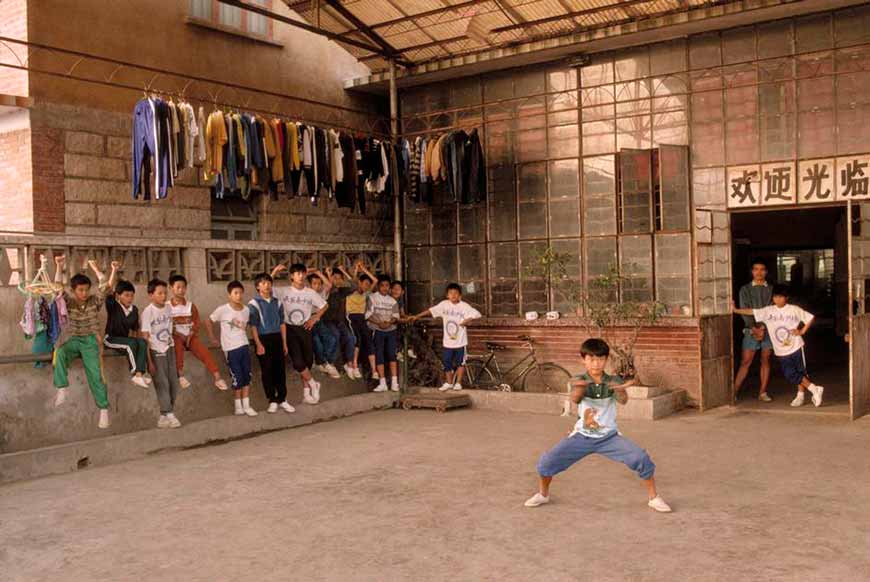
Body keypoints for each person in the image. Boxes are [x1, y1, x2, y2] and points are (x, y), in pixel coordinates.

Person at [525, 338, 672, 513]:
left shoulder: (613, 379)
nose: (596, 363)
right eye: (591, 359)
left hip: (609, 437)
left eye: (600, 359)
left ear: (606, 360)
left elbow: (623, 401)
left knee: (640, 458)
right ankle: (543, 494)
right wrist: (580, 387)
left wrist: (619, 387)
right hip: (582, 436)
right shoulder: (579, 379)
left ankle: (653, 498)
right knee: (546, 462)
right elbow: (575, 399)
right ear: (583, 360)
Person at [51, 255, 117, 429]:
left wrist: (95, 268)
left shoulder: (95, 301)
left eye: (86, 289)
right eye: (80, 290)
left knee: (95, 374)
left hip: (90, 341)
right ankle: (62, 388)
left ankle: (103, 409)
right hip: (74, 340)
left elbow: (105, 286)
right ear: (73, 290)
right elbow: (56, 288)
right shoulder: (69, 302)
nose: (84, 293)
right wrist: (59, 266)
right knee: (60, 352)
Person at [733, 284, 824, 407]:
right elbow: (752, 311)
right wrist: (736, 310)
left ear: (786, 298)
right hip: (781, 350)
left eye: (781, 297)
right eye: (776, 297)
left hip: (796, 345)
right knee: (790, 374)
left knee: (800, 372)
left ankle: (800, 396)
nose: (778, 300)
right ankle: (814, 389)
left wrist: (802, 331)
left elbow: (810, 318)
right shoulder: (768, 311)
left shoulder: (793, 309)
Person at [271, 263, 328, 405]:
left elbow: (324, 305)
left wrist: (315, 318)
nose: (301, 276)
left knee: (307, 362)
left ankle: (306, 394)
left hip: (305, 328)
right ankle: (314, 384)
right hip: (289, 329)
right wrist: (274, 271)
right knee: (298, 362)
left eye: (303, 273)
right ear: (291, 276)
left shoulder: (310, 292)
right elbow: (266, 287)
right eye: (297, 273)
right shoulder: (284, 291)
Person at [411, 283, 481, 391]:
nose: (453, 295)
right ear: (447, 295)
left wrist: (468, 320)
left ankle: (458, 383)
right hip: (447, 342)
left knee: (460, 363)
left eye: (456, 293)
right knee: (447, 362)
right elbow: (431, 311)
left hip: (460, 342)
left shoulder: (464, 306)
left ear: (460, 296)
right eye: (451, 293)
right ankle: (449, 382)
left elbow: (477, 314)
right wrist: (417, 316)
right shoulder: (444, 305)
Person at [169, 274, 228, 391]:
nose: (181, 290)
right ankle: (180, 376)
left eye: (183, 287)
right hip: (175, 337)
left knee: (204, 352)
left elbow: (196, 322)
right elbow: (166, 325)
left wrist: (191, 334)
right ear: (171, 288)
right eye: (178, 287)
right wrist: (177, 334)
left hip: (190, 337)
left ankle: (217, 377)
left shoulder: (191, 306)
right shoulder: (167, 306)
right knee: (177, 350)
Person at [208, 280, 258, 417]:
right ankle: (238, 406)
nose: (239, 296)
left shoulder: (246, 310)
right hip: (230, 349)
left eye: (241, 293)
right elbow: (209, 321)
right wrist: (212, 337)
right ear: (229, 295)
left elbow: (245, 327)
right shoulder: (222, 309)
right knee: (237, 378)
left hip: (244, 346)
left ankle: (247, 405)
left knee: (247, 375)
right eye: (235, 293)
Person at [248, 273, 295, 414]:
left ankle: (283, 399)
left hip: (277, 338)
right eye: (263, 283)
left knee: (280, 370)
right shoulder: (254, 304)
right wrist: (258, 344)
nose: (266, 285)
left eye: (268, 282)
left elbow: (282, 323)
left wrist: (284, 343)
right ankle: (272, 400)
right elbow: (253, 326)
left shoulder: (277, 302)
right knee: (267, 370)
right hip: (263, 339)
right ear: (257, 286)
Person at [140, 278, 183, 429]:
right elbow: (145, 338)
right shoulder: (147, 312)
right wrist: (149, 362)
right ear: (151, 295)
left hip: (169, 348)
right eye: (159, 293)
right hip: (155, 351)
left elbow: (171, 328)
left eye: (165, 293)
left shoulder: (168, 308)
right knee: (162, 383)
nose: (163, 296)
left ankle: (163, 416)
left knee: (173, 382)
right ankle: (169, 412)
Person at [734, 259, 774, 402]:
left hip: (767, 330)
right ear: (752, 271)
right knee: (746, 361)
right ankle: (733, 392)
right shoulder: (745, 289)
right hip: (750, 330)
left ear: (766, 272)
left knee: (766, 360)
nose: (759, 272)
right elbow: (744, 309)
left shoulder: (770, 289)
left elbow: (771, 310)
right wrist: (753, 328)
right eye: (756, 269)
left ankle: (762, 392)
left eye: (762, 269)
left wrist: (763, 327)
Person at [103, 278, 151, 389]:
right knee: (131, 344)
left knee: (142, 342)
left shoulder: (134, 310)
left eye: (131, 295)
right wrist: (114, 270)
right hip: (110, 339)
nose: (130, 298)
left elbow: (135, 330)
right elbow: (107, 291)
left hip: (125, 340)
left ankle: (140, 374)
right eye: (126, 295)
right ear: (118, 296)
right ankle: (136, 374)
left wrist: (137, 342)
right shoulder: (113, 306)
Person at [366, 274, 401, 393]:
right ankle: (382, 383)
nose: (385, 288)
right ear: (378, 287)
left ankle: (395, 383)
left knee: (392, 355)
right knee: (379, 355)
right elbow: (368, 315)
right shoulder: (372, 298)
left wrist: (389, 322)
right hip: (377, 330)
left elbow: (396, 316)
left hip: (391, 330)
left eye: (387, 286)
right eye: (382, 286)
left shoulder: (393, 301)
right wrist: (379, 323)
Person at [323, 265, 358, 378]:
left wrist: (344, 271)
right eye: (335, 277)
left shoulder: (342, 291)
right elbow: (328, 286)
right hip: (327, 322)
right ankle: (337, 365)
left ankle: (349, 364)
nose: (337, 280)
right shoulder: (325, 291)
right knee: (336, 335)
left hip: (338, 322)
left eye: (339, 278)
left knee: (351, 338)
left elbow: (354, 286)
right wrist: (329, 275)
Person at [307, 270, 340, 379]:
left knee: (332, 339)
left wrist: (319, 272)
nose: (317, 286)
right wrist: (307, 272)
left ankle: (325, 363)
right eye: (314, 283)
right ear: (310, 284)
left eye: (319, 283)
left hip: (318, 319)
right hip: (308, 321)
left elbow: (329, 284)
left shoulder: (322, 293)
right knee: (317, 341)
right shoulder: (305, 293)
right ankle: (324, 364)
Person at [346, 263, 375, 378]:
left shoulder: (366, 294)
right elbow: (353, 280)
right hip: (352, 317)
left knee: (368, 339)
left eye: (368, 285)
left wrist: (364, 269)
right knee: (356, 338)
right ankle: (354, 365)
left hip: (362, 318)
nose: (367, 286)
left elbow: (375, 280)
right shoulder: (351, 291)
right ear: (360, 283)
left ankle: (374, 371)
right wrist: (357, 269)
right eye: (365, 284)